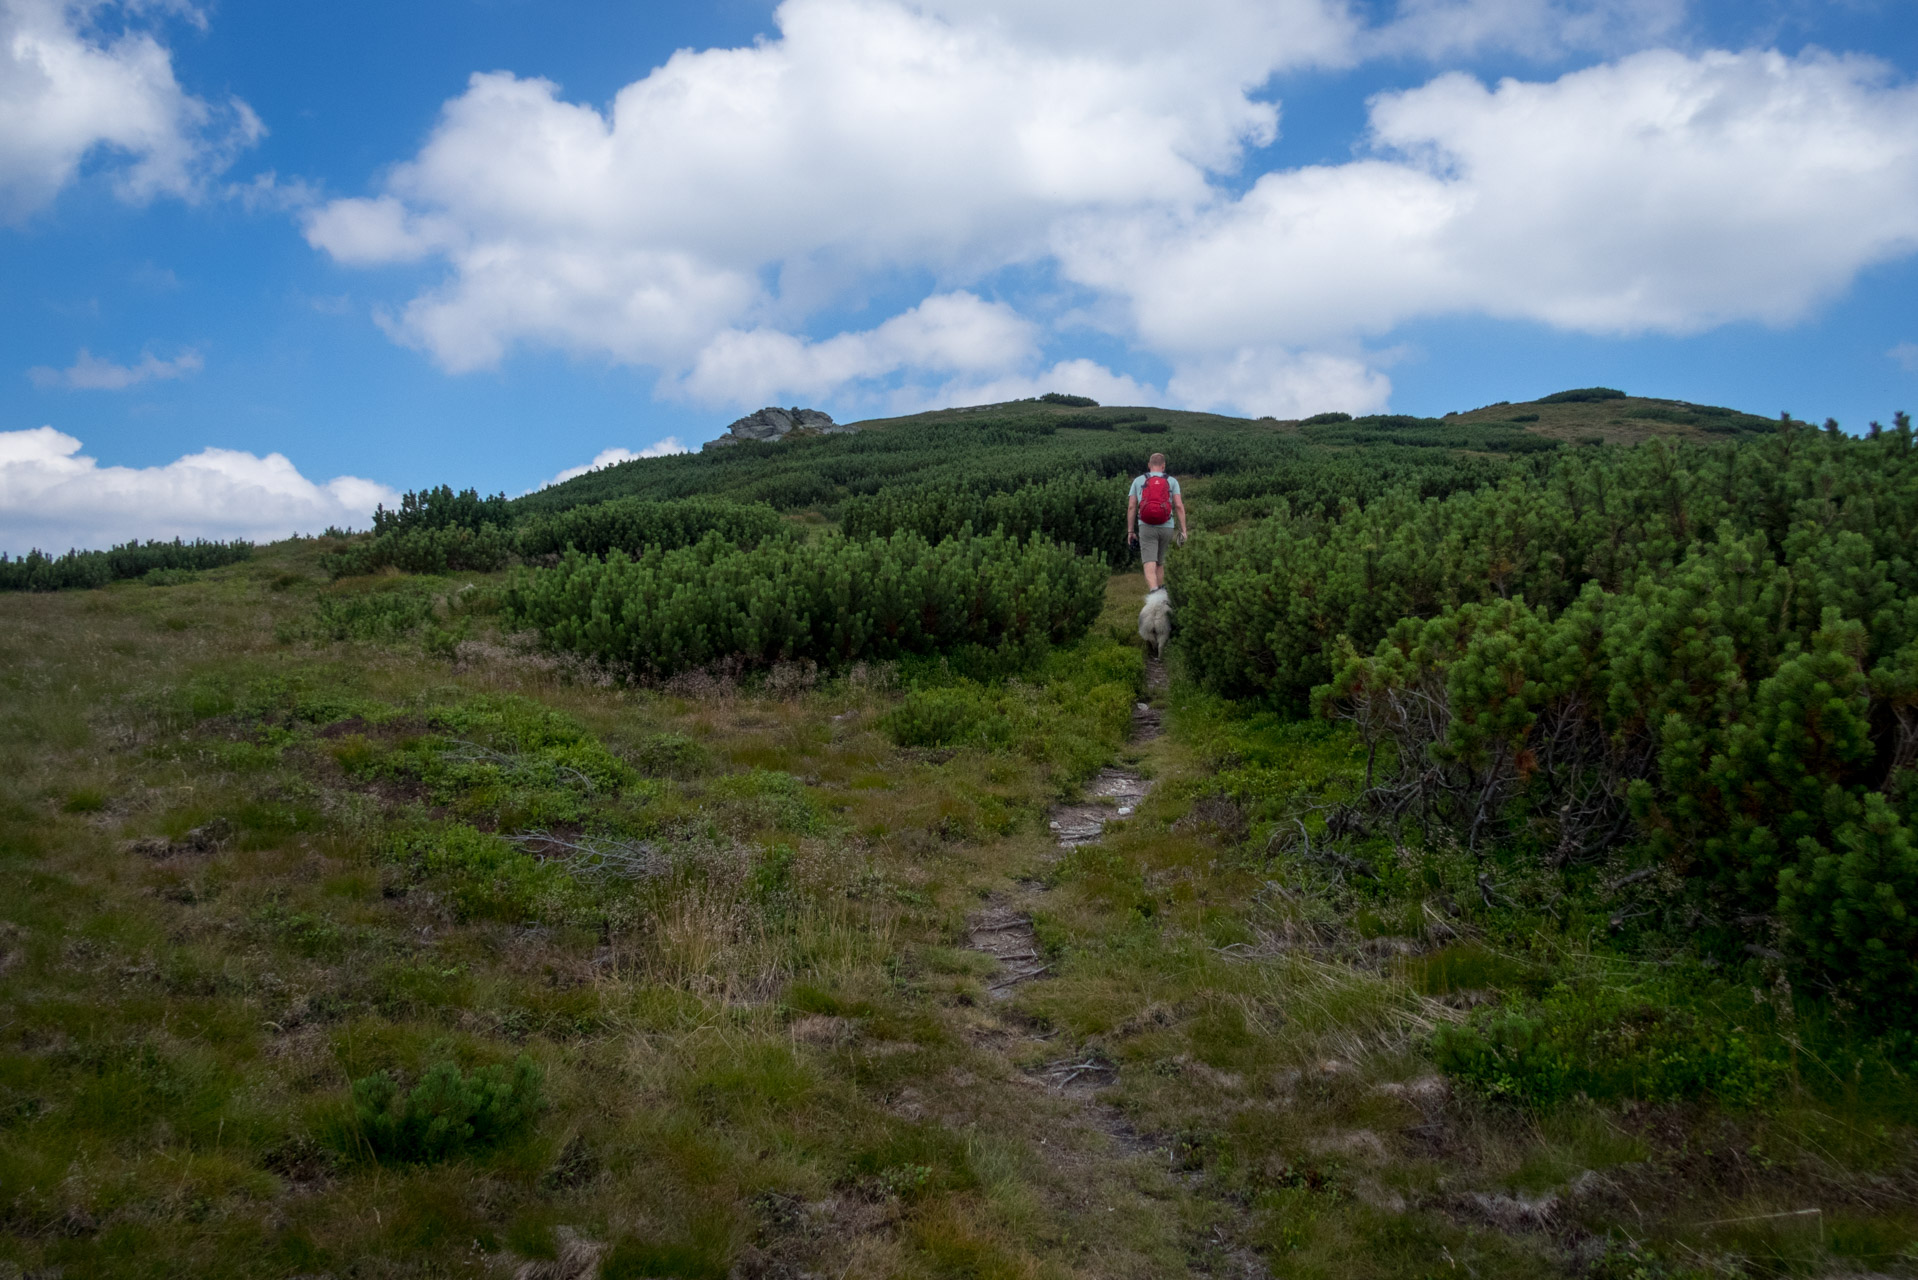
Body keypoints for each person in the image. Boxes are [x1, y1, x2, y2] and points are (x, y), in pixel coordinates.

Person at [1126, 452, 1187, 591]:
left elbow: (1131, 506)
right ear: (1163, 466)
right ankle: (1160, 593)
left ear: (1149, 465)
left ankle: (1154, 594)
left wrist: (1130, 531)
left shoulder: (1138, 481)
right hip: (1167, 526)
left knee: (1149, 561)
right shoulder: (1172, 481)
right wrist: (1183, 530)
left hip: (1146, 526)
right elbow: (1178, 505)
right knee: (1160, 563)